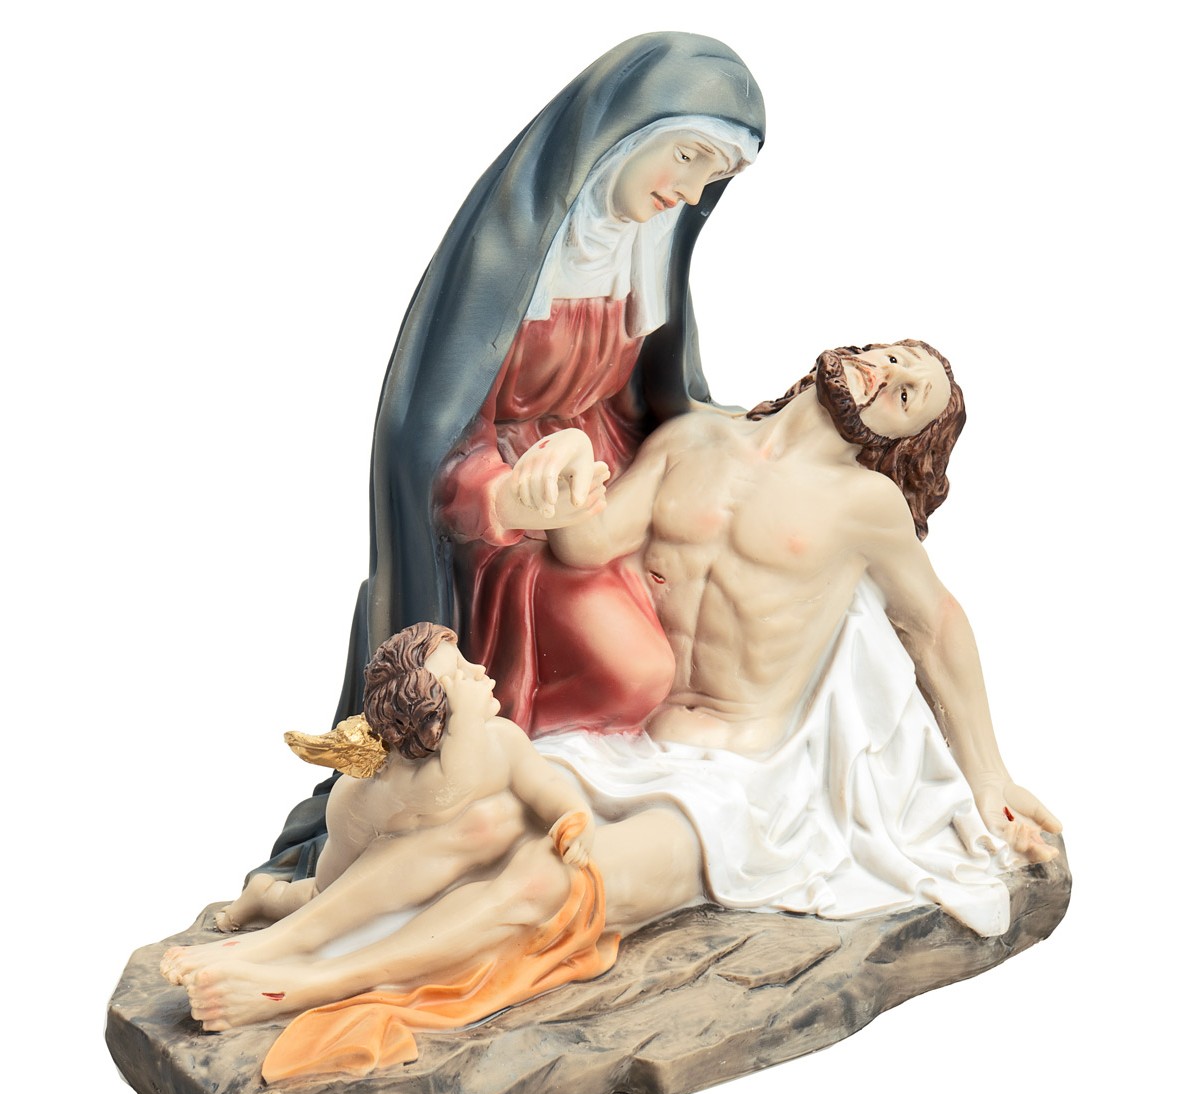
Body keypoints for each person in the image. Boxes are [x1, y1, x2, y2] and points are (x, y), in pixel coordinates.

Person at [173, 339, 1062, 1032]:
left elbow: (933, 625)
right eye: (895, 358)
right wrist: (554, 480)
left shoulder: (865, 505)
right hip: (629, 740)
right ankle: (283, 938)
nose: (888, 376)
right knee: (471, 822)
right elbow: (589, 543)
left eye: (908, 395)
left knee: (549, 880)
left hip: (741, 788)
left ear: (904, 439)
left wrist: (989, 775)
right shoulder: (692, 442)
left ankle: (300, 987)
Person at [260, 33, 765, 881]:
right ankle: (527, 801)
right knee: (638, 670)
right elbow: (426, 439)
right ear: (622, 132)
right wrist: (505, 499)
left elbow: (662, 398)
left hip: (613, 487)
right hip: (513, 524)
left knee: (742, 609)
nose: (690, 191)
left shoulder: (649, 244)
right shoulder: (508, 255)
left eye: (713, 177)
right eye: (687, 157)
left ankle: (672, 811)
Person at [162, 622, 595, 983]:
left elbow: (544, 784)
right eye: (461, 675)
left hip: (422, 876)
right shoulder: (407, 775)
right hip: (355, 860)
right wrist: (465, 719)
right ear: (432, 717)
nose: (480, 669)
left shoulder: (503, 740)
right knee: (319, 901)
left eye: (466, 661)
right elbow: (451, 790)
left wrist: (573, 819)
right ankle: (265, 897)